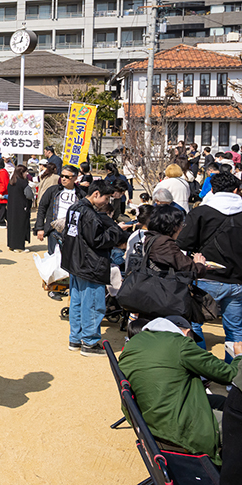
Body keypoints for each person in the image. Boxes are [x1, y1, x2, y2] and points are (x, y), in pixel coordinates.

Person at [119, 315, 242, 466]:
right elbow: (229, 374)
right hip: (176, 427)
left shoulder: (136, 342)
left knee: (222, 401)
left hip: (148, 418)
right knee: (236, 424)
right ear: (186, 332)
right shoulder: (180, 343)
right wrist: (239, 356)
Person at [61, 180, 132, 356]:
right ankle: (90, 343)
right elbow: (98, 240)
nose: (107, 202)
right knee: (92, 304)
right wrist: (117, 229)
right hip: (90, 264)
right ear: (96, 194)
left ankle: (76, 339)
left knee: (77, 301)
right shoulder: (90, 214)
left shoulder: (74, 208)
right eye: (106, 198)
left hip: (75, 262)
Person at [176, 172, 242, 351]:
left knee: (195, 324)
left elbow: (182, 244)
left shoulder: (200, 212)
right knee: (236, 330)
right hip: (237, 280)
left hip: (206, 277)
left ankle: (203, 373)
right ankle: (235, 373)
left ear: (212, 189)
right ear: (237, 190)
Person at [35, 165, 83, 254]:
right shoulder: (53, 190)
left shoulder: (81, 194)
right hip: (54, 228)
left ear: (75, 178)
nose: (63, 179)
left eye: (67, 177)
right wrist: (40, 228)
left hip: (72, 231)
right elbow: (42, 208)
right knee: (53, 257)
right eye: (62, 176)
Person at [6, 164, 33, 252]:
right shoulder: (23, 182)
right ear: (22, 172)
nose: (26, 174)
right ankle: (19, 247)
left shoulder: (11, 182)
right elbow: (29, 195)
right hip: (21, 207)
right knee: (21, 226)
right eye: (25, 172)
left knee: (12, 225)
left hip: (11, 207)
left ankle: (12, 244)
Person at [0, 158, 10, 227]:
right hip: (0, 193)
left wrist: (1, 192)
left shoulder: (3, 172)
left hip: (1, 194)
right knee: (2, 210)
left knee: (0, 209)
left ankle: (1, 223)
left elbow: (4, 184)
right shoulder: (3, 171)